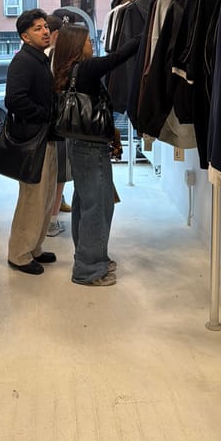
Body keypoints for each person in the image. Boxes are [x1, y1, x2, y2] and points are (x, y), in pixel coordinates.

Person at [52, 23, 140, 286]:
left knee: (85, 203)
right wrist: (143, 32)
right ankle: (88, 269)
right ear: (78, 46)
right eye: (88, 39)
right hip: (90, 147)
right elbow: (118, 57)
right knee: (98, 207)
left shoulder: (66, 70)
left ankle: (90, 257)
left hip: (78, 144)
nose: (92, 43)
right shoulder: (85, 68)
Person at [5, 9, 58, 275]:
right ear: (25, 36)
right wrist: (46, 115)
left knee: (45, 197)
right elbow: (14, 100)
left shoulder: (38, 58)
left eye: (45, 26)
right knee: (32, 198)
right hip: (33, 139)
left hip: (44, 138)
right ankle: (19, 254)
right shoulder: (24, 61)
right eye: (37, 28)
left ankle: (34, 247)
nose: (45, 31)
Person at [45, 14, 71, 237]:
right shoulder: (54, 56)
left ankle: (50, 216)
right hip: (58, 123)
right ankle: (51, 222)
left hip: (46, 124)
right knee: (59, 174)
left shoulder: (40, 55)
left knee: (51, 174)